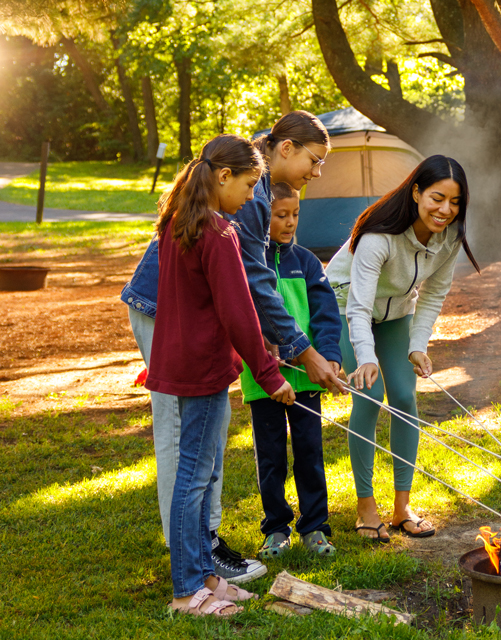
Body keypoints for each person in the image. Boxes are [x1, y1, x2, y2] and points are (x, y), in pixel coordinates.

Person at [119, 110, 341, 581]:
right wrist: (302, 353)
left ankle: (202, 546)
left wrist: (266, 346)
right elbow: (253, 288)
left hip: (198, 312)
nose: (315, 174)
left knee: (206, 439)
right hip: (167, 312)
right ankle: (193, 559)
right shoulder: (246, 199)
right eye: (314, 160)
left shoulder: (248, 190)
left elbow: (241, 293)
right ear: (286, 149)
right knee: (185, 444)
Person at [145, 135, 296, 616]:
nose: (253, 196)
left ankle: (208, 578)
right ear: (224, 176)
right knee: (193, 479)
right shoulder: (218, 232)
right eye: (251, 185)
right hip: (204, 370)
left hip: (182, 364)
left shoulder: (178, 223)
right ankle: (188, 591)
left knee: (198, 473)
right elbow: (239, 314)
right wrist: (271, 376)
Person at [325, 155, 481, 543]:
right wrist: (365, 357)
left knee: (406, 399)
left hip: (396, 313)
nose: (445, 209)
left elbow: (432, 297)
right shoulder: (378, 237)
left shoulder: (448, 239)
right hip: (345, 306)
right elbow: (358, 306)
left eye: (455, 201)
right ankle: (365, 507)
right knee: (369, 396)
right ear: (416, 193)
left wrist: (417, 347)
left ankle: (402, 507)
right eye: (437, 198)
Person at [241, 183, 343, 559]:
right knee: (271, 457)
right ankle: (276, 528)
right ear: (262, 216)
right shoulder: (250, 262)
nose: (289, 223)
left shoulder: (308, 261)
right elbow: (245, 315)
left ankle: (315, 527)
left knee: (309, 453)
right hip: (262, 379)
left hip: (307, 379)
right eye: (280, 215)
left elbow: (327, 316)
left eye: (295, 215)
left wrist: (329, 356)